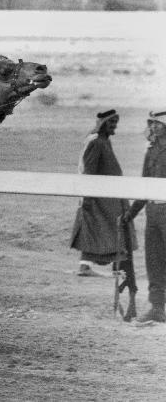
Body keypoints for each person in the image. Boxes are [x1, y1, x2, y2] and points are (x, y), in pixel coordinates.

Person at [70, 110, 137, 306]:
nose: (114, 126)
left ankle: (113, 268)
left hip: (109, 197)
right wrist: (88, 198)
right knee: (105, 230)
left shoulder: (104, 141)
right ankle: (93, 267)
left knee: (108, 231)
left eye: (116, 122)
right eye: (111, 122)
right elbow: (89, 170)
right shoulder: (97, 142)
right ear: (103, 124)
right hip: (100, 199)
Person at [121, 110, 166, 323]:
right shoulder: (151, 150)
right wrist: (131, 213)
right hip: (153, 213)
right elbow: (145, 184)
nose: (153, 127)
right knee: (154, 262)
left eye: (157, 123)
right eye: (152, 123)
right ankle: (157, 309)